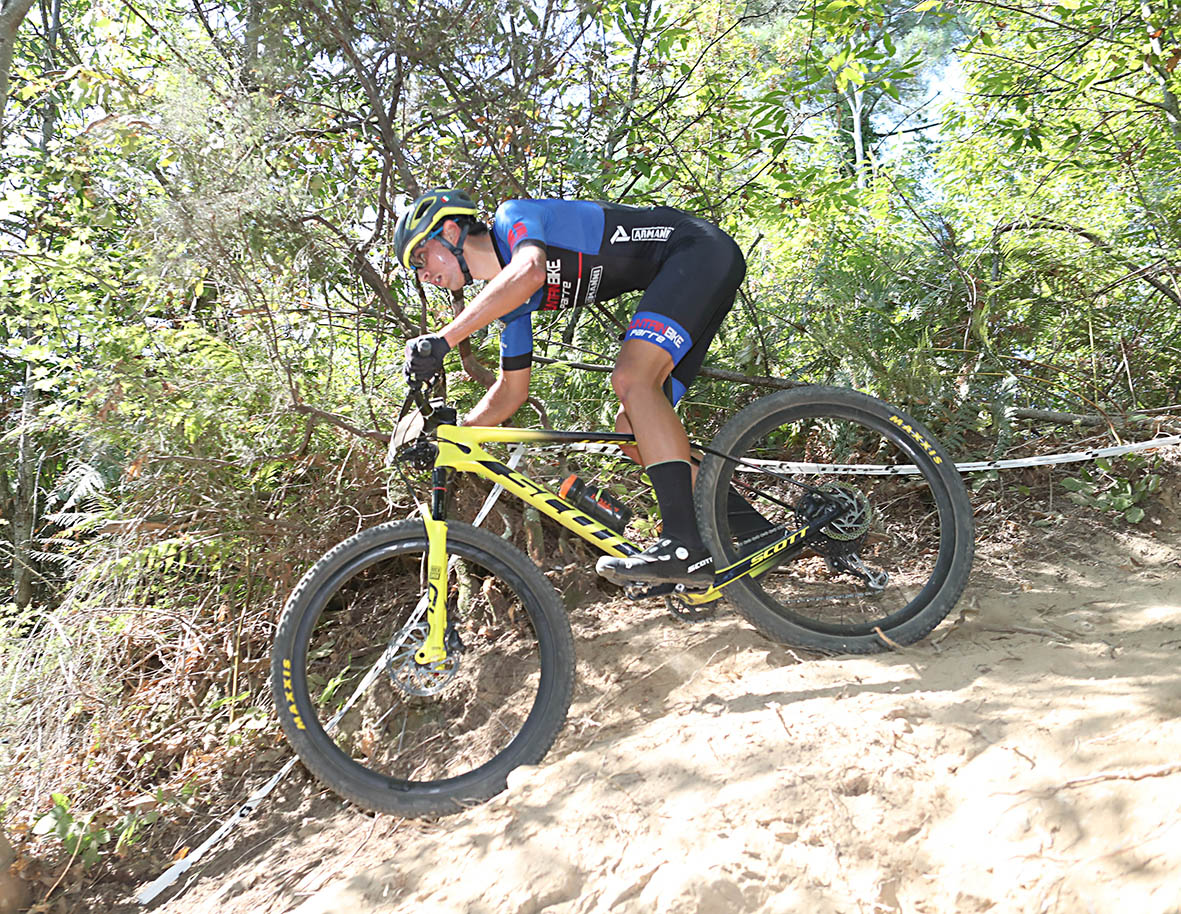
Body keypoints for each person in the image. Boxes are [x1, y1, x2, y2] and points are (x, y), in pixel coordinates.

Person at [395, 188, 746, 588]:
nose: (422, 274)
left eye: (421, 256)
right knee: (634, 434)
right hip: (694, 274)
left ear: (453, 231)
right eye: (416, 269)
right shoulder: (512, 302)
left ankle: (684, 546)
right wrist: (457, 435)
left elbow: (530, 271)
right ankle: (755, 531)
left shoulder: (514, 218)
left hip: (695, 250)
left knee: (633, 379)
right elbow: (512, 392)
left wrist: (444, 340)